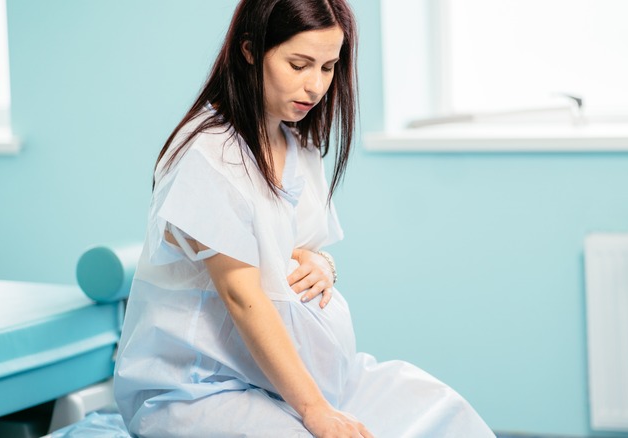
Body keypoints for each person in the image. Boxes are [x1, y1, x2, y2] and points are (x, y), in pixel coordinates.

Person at [113, 0, 496, 436]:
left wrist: (323, 265)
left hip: (303, 383)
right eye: (299, 64)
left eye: (328, 67)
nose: (315, 86)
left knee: (441, 410)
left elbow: (305, 249)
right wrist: (314, 409)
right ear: (250, 50)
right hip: (203, 390)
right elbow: (241, 295)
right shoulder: (209, 155)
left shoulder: (296, 145)